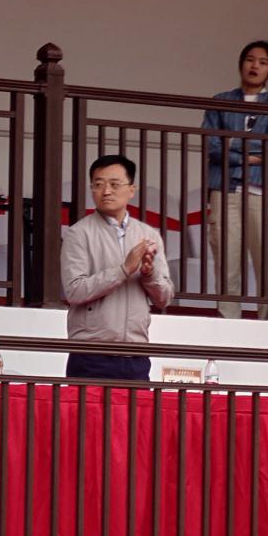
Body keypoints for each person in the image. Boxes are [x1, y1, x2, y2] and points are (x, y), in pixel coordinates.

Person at [61, 154, 173, 381]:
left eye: (114, 184)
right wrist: (123, 270)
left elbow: (165, 298)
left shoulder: (148, 235)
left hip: (136, 353)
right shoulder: (78, 233)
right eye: (98, 184)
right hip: (90, 352)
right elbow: (74, 290)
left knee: (137, 407)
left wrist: (148, 274)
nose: (106, 191)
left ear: (132, 190)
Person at [202, 40, 268, 319]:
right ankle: (229, 327)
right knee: (226, 261)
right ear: (241, 64)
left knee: (267, 263)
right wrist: (250, 153)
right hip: (224, 189)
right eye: (250, 59)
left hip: (262, 191)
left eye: (262, 62)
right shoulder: (220, 101)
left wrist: (232, 144)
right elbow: (213, 146)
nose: (255, 66)